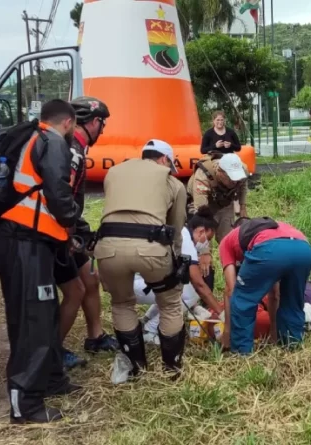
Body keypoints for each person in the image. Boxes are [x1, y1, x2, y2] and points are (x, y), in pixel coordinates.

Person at [0, 99, 80, 424]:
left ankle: (53, 380)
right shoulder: (53, 142)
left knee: (45, 311)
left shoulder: (34, 139)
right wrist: (72, 221)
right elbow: (58, 192)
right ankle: (24, 404)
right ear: (68, 122)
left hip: (27, 240)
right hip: (22, 241)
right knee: (33, 320)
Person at [93, 139, 188, 378]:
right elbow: (176, 230)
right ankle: (171, 369)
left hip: (107, 249)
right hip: (152, 250)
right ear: (165, 160)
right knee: (170, 303)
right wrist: (176, 262)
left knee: (122, 304)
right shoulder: (172, 182)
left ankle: (136, 368)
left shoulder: (114, 173)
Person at [54, 96, 119, 370]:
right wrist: (71, 234)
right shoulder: (72, 152)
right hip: (60, 232)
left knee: (91, 280)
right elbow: (63, 196)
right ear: (93, 122)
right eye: (101, 124)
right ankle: (52, 350)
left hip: (72, 227)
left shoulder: (78, 148)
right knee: (76, 291)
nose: (102, 130)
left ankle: (95, 336)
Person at [219, 217, 311, 354]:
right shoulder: (268, 229)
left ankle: (241, 353)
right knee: (293, 302)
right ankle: (292, 347)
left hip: (270, 250)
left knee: (242, 300)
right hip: (304, 249)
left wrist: (227, 332)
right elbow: (275, 294)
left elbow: (231, 290)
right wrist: (273, 333)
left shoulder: (227, 241)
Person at [134, 206, 225, 343]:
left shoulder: (180, 231)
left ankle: (146, 320)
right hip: (137, 285)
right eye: (208, 239)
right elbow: (199, 285)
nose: (206, 244)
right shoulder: (185, 241)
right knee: (190, 293)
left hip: (132, 280)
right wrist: (221, 312)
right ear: (201, 231)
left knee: (175, 286)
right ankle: (150, 329)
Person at [187, 152, 249, 290]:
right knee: (202, 252)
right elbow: (200, 216)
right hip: (202, 207)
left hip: (224, 204)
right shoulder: (203, 177)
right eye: (231, 179)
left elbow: (243, 186)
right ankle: (204, 292)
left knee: (231, 242)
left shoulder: (242, 169)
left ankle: (238, 284)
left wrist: (243, 206)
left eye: (237, 179)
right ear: (220, 172)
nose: (235, 182)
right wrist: (204, 251)